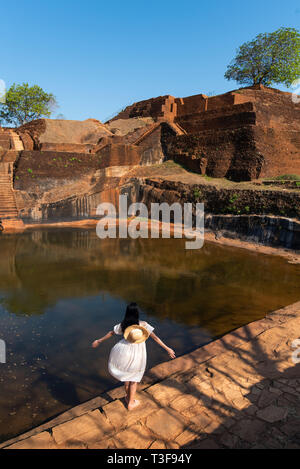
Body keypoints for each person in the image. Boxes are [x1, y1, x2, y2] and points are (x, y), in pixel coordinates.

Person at [92, 302, 176, 410]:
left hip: (123, 350)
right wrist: (167, 348)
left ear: (127, 313)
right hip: (138, 353)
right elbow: (155, 338)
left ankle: (127, 397)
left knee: (127, 377)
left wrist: (99, 341)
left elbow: (111, 333)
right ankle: (131, 403)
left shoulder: (124, 324)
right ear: (137, 313)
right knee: (134, 379)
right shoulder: (143, 325)